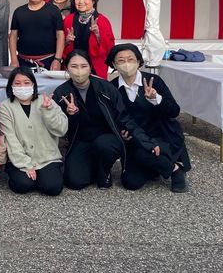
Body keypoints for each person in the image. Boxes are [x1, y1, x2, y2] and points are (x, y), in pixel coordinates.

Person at [54, 50, 154, 190]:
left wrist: (147, 142)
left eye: (84, 66)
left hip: (106, 137)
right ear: (66, 68)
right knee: (74, 182)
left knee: (104, 146)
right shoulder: (61, 93)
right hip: (79, 140)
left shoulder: (106, 88)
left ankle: (104, 170)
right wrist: (71, 115)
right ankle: (92, 166)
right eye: (74, 66)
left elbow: (124, 118)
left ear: (90, 67)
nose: (79, 71)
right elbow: (57, 126)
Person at [106, 43, 190, 192]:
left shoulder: (154, 81)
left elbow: (174, 111)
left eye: (131, 59)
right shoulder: (111, 88)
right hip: (133, 140)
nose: (126, 64)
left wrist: (156, 99)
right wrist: (120, 132)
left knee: (143, 154)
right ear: (114, 64)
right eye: (121, 60)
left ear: (139, 61)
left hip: (160, 135)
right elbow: (112, 117)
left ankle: (175, 169)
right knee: (131, 183)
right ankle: (155, 166)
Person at [0, 67, 67, 196]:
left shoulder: (46, 101)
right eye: (17, 83)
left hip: (47, 157)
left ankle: (43, 176)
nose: (22, 87)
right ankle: (24, 175)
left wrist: (48, 111)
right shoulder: (5, 107)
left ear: (33, 85)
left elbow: (61, 130)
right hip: (19, 157)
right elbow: (10, 139)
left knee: (52, 188)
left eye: (26, 83)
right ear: (11, 86)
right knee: (22, 185)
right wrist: (25, 164)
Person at [9, 0, 65, 71]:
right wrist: (14, 59)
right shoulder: (19, 12)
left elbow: (60, 35)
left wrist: (57, 59)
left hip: (49, 62)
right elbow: (13, 36)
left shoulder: (54, 10)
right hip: (23, 62)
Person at [63, 0, 115, 78]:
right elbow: (60, 46)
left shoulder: (102, 20)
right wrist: (66, 41)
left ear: (93, 0)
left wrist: (98, 34)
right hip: (73, 66)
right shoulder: (68, 20)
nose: (81, 1)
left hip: (95, 68)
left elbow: (110, 48)